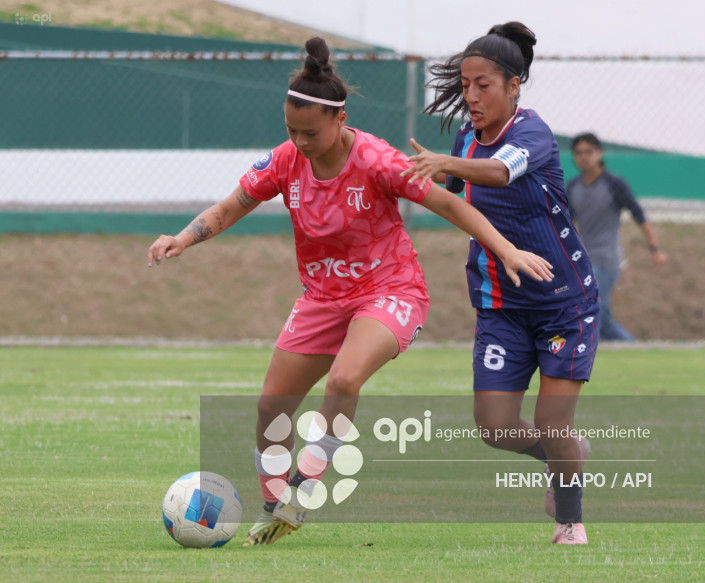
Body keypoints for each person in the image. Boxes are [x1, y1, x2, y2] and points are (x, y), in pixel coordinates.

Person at [146, 37, 553, 547]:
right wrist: (182, 238)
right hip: (321, 298)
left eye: (310, 132)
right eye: (291, 131)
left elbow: (451, 207)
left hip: (390, 290)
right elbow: (230, 207)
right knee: (271, 408)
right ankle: (275, 508)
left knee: (344, 377)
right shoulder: (284, 161)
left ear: (340, 121)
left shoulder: (377, 161)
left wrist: (505, 249)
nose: (300, 142)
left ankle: (303, 490)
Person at [403, 22, 598, 544]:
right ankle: (567, 456)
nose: (470, 95)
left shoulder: (532, 134)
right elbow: (449, 185)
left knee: (553, 422)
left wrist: (447, 163)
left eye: (482, 84)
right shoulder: (467, 138)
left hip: (564, 304)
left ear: (514, 85)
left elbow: (500, 172)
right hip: (501, 306)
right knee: (493, 426)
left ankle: (569, 522)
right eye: (465, 85)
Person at [567, 132, 668, 342]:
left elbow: (638, 214)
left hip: (607, 259)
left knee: (595, 311)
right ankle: (632, 348)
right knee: (599, 317)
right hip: (583, 261)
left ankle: (624, 350)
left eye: (588, 152)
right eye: (578, 153)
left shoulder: (614, 184)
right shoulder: (573, 187)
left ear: (599, 153)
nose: (583, 157)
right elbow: (566, 225)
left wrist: (655, 249)